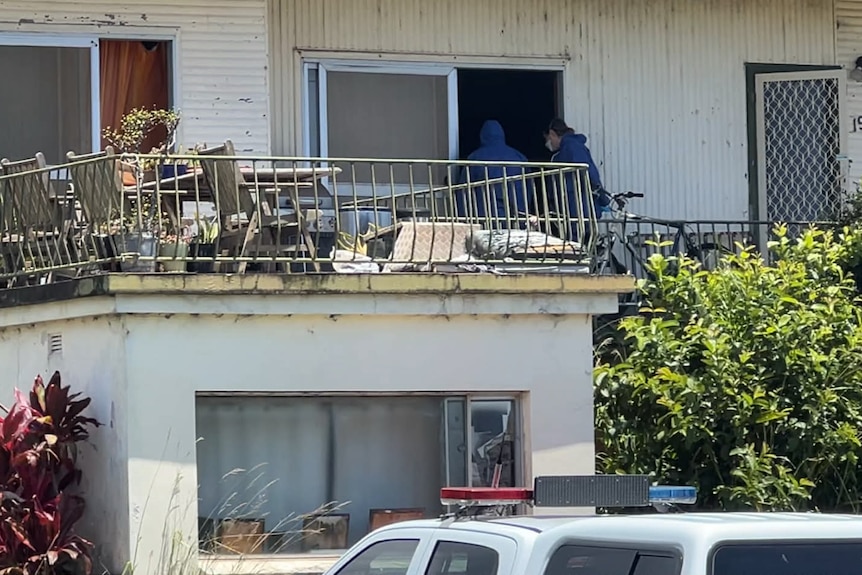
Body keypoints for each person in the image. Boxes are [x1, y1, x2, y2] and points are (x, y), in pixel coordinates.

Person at [543, 118, 612, 236]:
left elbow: (588, 172)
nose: (548, 143)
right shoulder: (567, 149)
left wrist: (603, 198)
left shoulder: (571, 147)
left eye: (548, 139)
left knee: (578, 247)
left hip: (578, 210)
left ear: (552, 134)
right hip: (575, 211)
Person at [456, 120, 529, 228]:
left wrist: (463, 219)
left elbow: (463, 191)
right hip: (514, 218)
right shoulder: (519, 158)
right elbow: (528, 189)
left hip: (484, 217)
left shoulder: (474, 158)